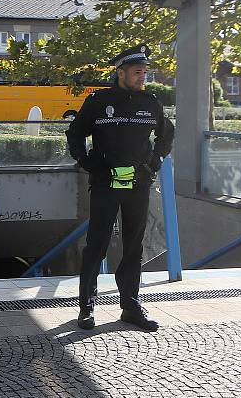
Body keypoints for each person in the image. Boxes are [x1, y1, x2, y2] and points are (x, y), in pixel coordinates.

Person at [65, 43, 174, 332]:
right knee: (96, 246)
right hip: (105, 185)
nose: (143, 77)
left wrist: (155, 162)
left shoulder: (151, 102)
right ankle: (86, 307)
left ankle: (130, 306)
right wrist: (89, 163)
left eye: (145, 72)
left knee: (133, 246)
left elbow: (166, 135)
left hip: (139, 185)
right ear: (121, 72)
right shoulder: (98, 102)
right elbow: (75, 134)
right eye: (138, 72)